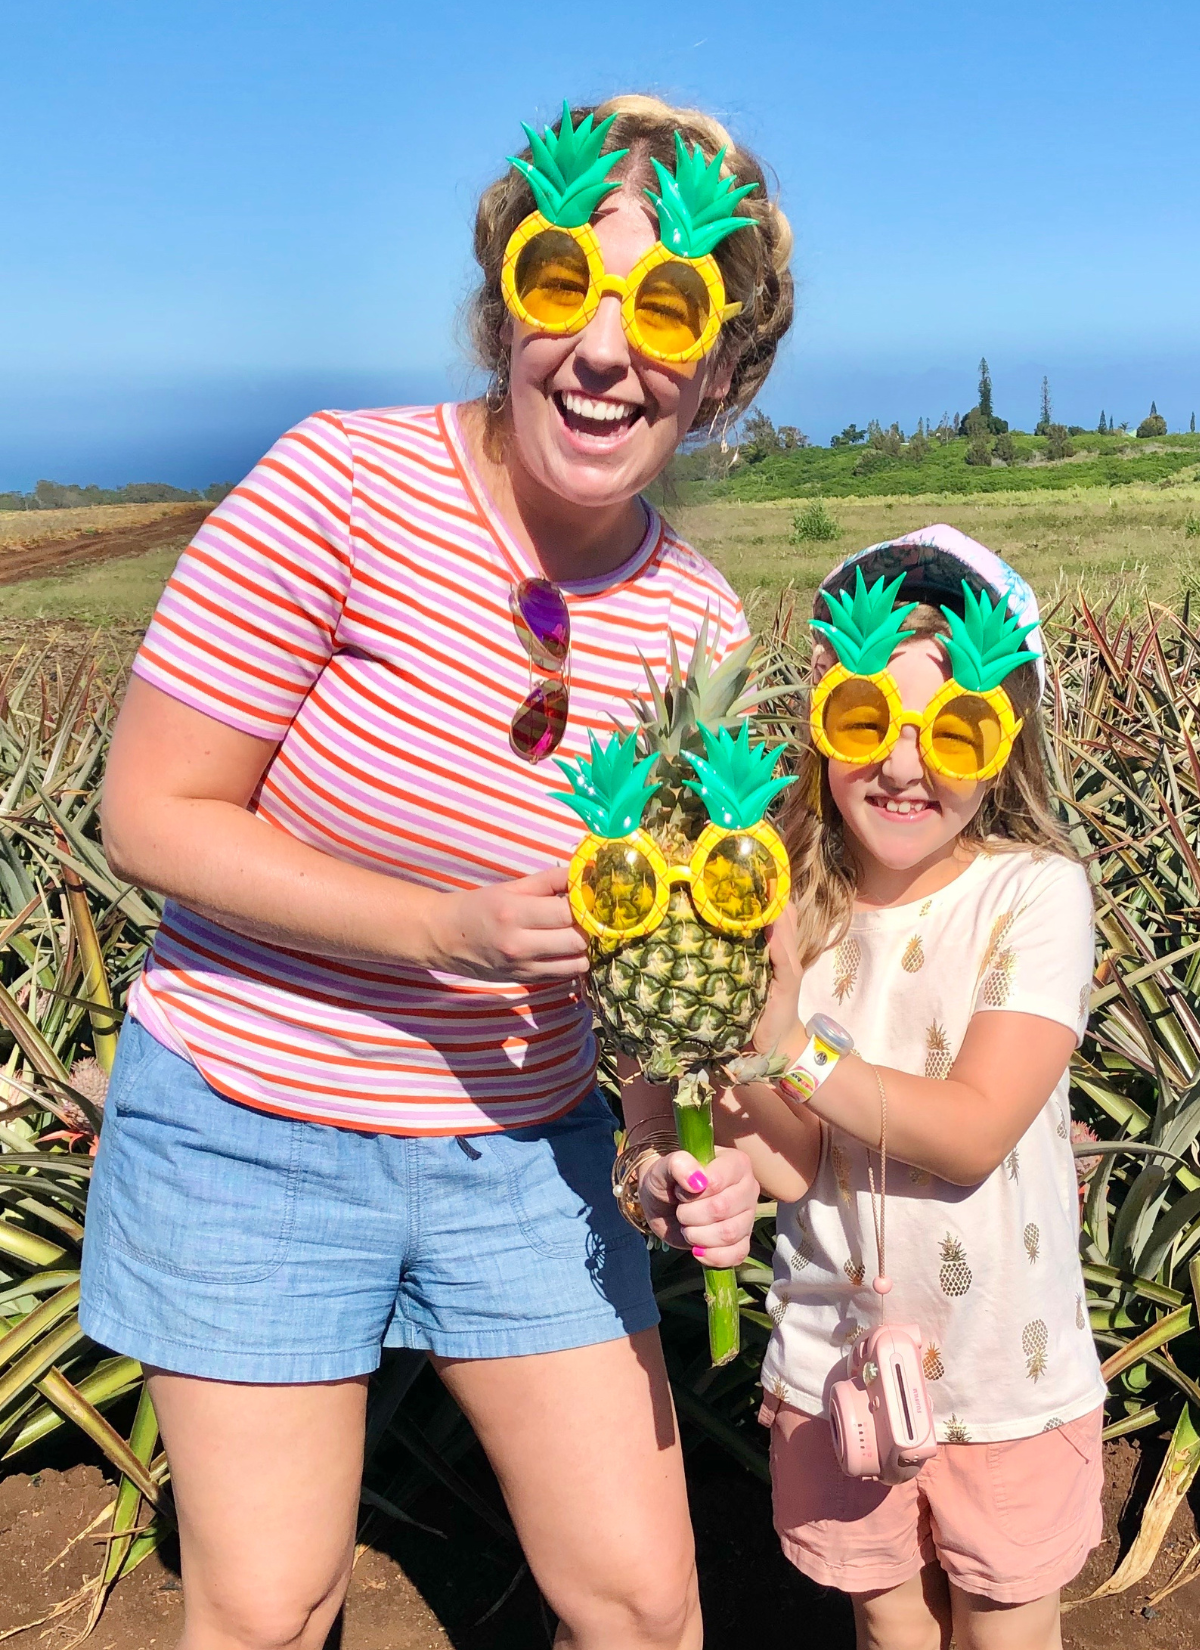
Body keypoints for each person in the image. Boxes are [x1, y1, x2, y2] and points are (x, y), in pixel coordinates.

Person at [80, 96, 793, 1650]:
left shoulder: (699, 626)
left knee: (646, 1601)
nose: (605, 350)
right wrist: (440, 928)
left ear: (721, 371)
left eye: (667, 307)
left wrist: (673, 1137)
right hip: (252, 1123)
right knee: (271, 1607)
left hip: (528, 1149)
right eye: (563, 290)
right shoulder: (340, 483)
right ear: (502, 305)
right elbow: (152, 811)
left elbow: (662, 950)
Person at [717, 526, 1106, 1650]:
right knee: (888, 1625)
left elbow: (975, 1129)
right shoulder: (793, 904)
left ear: (1005, 741)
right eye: (863, 721)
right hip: (830, 1362)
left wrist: (791, 1043)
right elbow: (793, 1160)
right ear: (821, 728)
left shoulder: (1036, 895)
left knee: (1004, 1625)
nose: (901, 764)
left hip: (1004, 1369)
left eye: (954, 733)